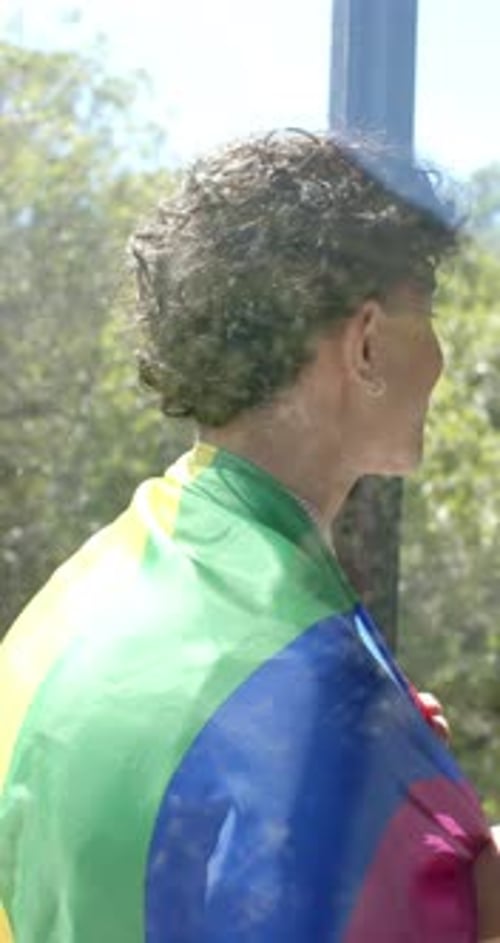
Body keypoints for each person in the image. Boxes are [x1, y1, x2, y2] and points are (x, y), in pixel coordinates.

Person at [0, 131, 498, 942]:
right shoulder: (306, 687)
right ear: (367, 343)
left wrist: (386, 781)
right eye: (428, 315)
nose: (440, 355)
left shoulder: (69, 602)